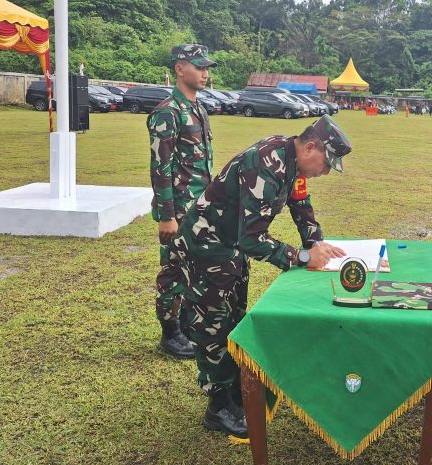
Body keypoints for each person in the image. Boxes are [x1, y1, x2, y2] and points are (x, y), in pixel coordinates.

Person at [171, 115, 351, 437]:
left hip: (229, 246)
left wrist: (315, 242)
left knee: (235, 317)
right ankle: (218, 407)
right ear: (311, 147)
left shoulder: (293, 162)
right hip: (207, 244)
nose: (325, 172)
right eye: (326, 163)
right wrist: (303, 257)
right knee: (213, 323)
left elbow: (301, 202)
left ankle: (234, 389)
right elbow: (252, 240)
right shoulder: (266, 165)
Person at [148, 44, 216, 359]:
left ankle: (187, 325)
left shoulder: (198, 108)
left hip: (200, 207)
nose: (205, 73)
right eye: (198, 67)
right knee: (173, 270)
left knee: (195, 267)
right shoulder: (168, 111)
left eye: (206, 68)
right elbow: (160, 168)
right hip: (178, 210)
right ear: (179, 69)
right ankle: (170, 333)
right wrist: (167, 216)